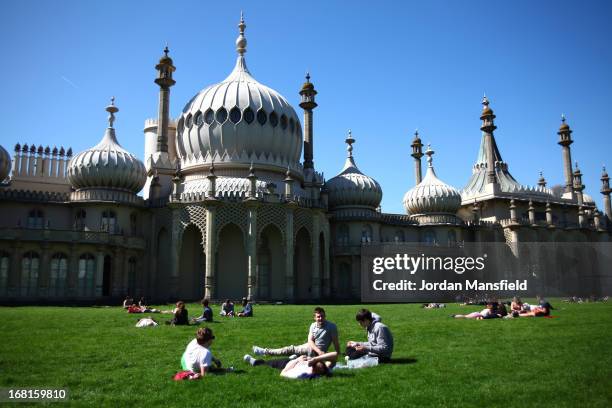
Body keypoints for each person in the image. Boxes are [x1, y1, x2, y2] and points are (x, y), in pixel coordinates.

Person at [252, 307, 340, 357]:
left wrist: (338, 353)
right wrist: (319, 351)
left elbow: (335, 342)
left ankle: (265, 352)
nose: (320, 318)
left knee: (290, 349)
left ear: (325, 316)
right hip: (310, 347)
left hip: (314, 351)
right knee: (293, 350)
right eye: (318, 317)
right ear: (314, 318)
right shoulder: (313, 325)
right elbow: (310, 340)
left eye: (322, 316)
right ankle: (295, 357)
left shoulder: (331, 327)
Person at [243, 351, 337, 379]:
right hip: (298, 359)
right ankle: (292, 357)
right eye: (321, 363)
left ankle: (255, 362)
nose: (321, 364)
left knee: (267, 363)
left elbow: (283, 373)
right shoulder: (325, 368)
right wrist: (315, 359)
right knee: (297, 357)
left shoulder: (303, 374)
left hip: (287, 364)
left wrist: (296, 360)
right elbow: (335, 355)